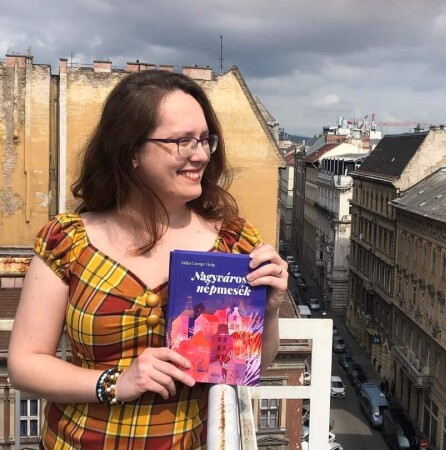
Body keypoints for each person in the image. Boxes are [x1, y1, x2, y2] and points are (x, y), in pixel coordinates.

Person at [7, 70, 287, 449]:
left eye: (205, 140)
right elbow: (25, 363)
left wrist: (267, 312)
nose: (201, 155)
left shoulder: (235, 244)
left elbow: (250, 366)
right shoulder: (68, 240)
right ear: (130, 152)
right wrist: (115, 383)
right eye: (182, 142)